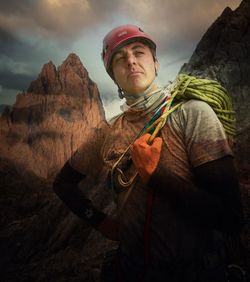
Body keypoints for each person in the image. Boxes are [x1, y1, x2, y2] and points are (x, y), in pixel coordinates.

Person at [53, 24, 244, 282]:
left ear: (155, 63)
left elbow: (231, 218)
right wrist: (101, 223)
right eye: (119, 58)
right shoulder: (106, 133)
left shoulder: (193, 114)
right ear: (113, 77)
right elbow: (63, 184)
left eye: (138, 52)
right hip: (131, 270)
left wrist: (157, 176)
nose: (131, 61)